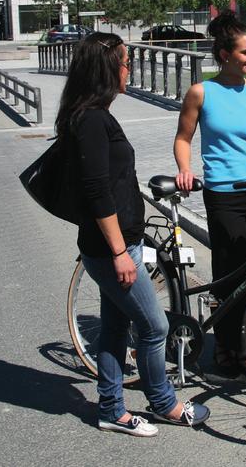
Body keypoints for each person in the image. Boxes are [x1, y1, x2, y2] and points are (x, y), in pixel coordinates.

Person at [56, 32, 209, 436]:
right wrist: (121, 252)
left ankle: (111, 408)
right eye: (126, 62)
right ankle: (164, 404)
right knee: (154, 327)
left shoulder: (95, 115)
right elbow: (96, 192)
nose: (130, 69)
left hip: (119, 242)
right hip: (112, 248)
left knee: (113, 327)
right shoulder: (90, 120)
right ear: (108, 68)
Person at [173, 11, 246, 374]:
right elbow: (183, 138)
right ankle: (226, 343)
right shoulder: (201, 93)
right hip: (223, 194)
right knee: (230, 271)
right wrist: (185, 169)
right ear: (225, 54)